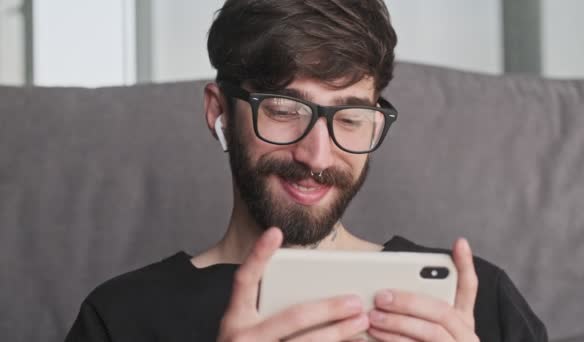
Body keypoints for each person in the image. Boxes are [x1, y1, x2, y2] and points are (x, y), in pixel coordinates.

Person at [66, 1, 548, 341]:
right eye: (283, 109)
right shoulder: (121, 318)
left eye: (351, 118)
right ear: (220, 113)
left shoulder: (480, 305)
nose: (317, 157)